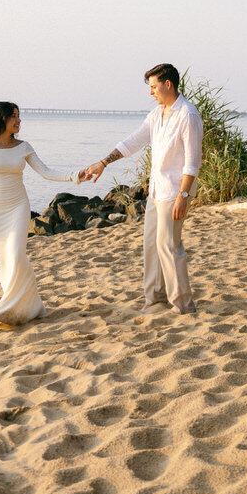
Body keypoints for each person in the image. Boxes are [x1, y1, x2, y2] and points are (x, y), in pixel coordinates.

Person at [82, 63, 203, 315]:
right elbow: (133, 141)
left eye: (153, 86)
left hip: (174, 192)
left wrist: (183, 196)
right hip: (156, 191)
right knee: (151, 245)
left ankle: (183, 305)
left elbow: (192, 162)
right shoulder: (156, 115)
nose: (151, 92)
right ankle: (155, 299)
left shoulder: (188, 115)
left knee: (169, 246)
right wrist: (103, 162)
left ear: (167, 84)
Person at [0, 102, 84, 330]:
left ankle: (8, 308)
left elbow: (46, 172)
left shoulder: (23, 146)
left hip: (18, 207)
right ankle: (30, 307)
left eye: (19, 117)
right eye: (14, 117)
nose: (19, 121)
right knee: (5, 263)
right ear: (1, 119)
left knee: (16, 254)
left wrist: (75, 176)